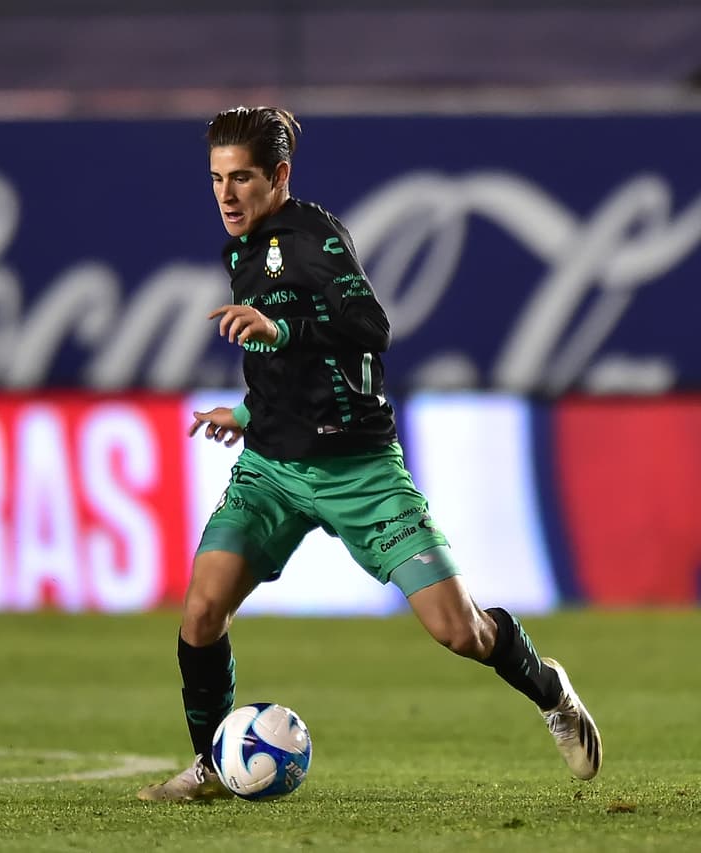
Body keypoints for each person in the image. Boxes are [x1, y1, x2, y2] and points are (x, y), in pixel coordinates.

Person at [137, 106, 602, 802]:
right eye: (215, 179)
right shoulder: (240, 250)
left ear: (280, 176)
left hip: (360, 471)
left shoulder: (315, 239)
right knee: (202, 613)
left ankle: (551, 690)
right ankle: (211, 762)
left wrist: (281, 326)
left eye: (241, 179)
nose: (226, 195)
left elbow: (369, 326)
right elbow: (286, 369)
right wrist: (243, 413)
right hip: (271, 468)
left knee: (461, 630)